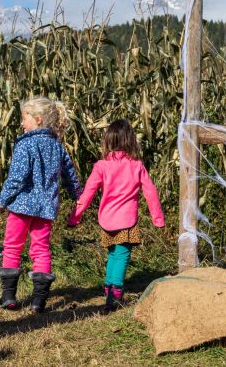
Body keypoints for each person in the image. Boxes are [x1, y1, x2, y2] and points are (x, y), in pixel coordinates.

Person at [68, 119, 164, 312]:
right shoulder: (136, 166)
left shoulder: (101, 166)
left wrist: (75, 217)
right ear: (130, 141)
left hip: (107, 219)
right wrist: (158, 219)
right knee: (121, 254)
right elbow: (151, 192)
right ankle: (115, 294)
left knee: (113, 253)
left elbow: (87, 194)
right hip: (126, 220)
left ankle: (108, 287)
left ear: (108, 141)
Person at [0, 96, 80, 313]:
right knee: (41, 249)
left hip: (22, 207)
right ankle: (38, 301)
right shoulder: (57, 146)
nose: (22, 124)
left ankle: (8, 297)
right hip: (45, 209)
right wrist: (76, 196)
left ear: (39, 119)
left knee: (12, 246)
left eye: (25, 118)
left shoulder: (25, 145)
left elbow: (16, 178)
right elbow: (70, 174)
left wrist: (2, 199)